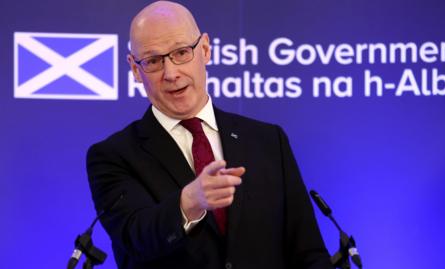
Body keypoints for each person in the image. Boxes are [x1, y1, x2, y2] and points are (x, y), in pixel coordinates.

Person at [86, 1, 333, 268]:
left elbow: (308, 252)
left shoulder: (268, 141)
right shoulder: (113, 156)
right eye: (153, 61)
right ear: (135, 69)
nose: (171, 73)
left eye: (181, 52)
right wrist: (188, 203)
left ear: (205, 49)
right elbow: (134, 240)